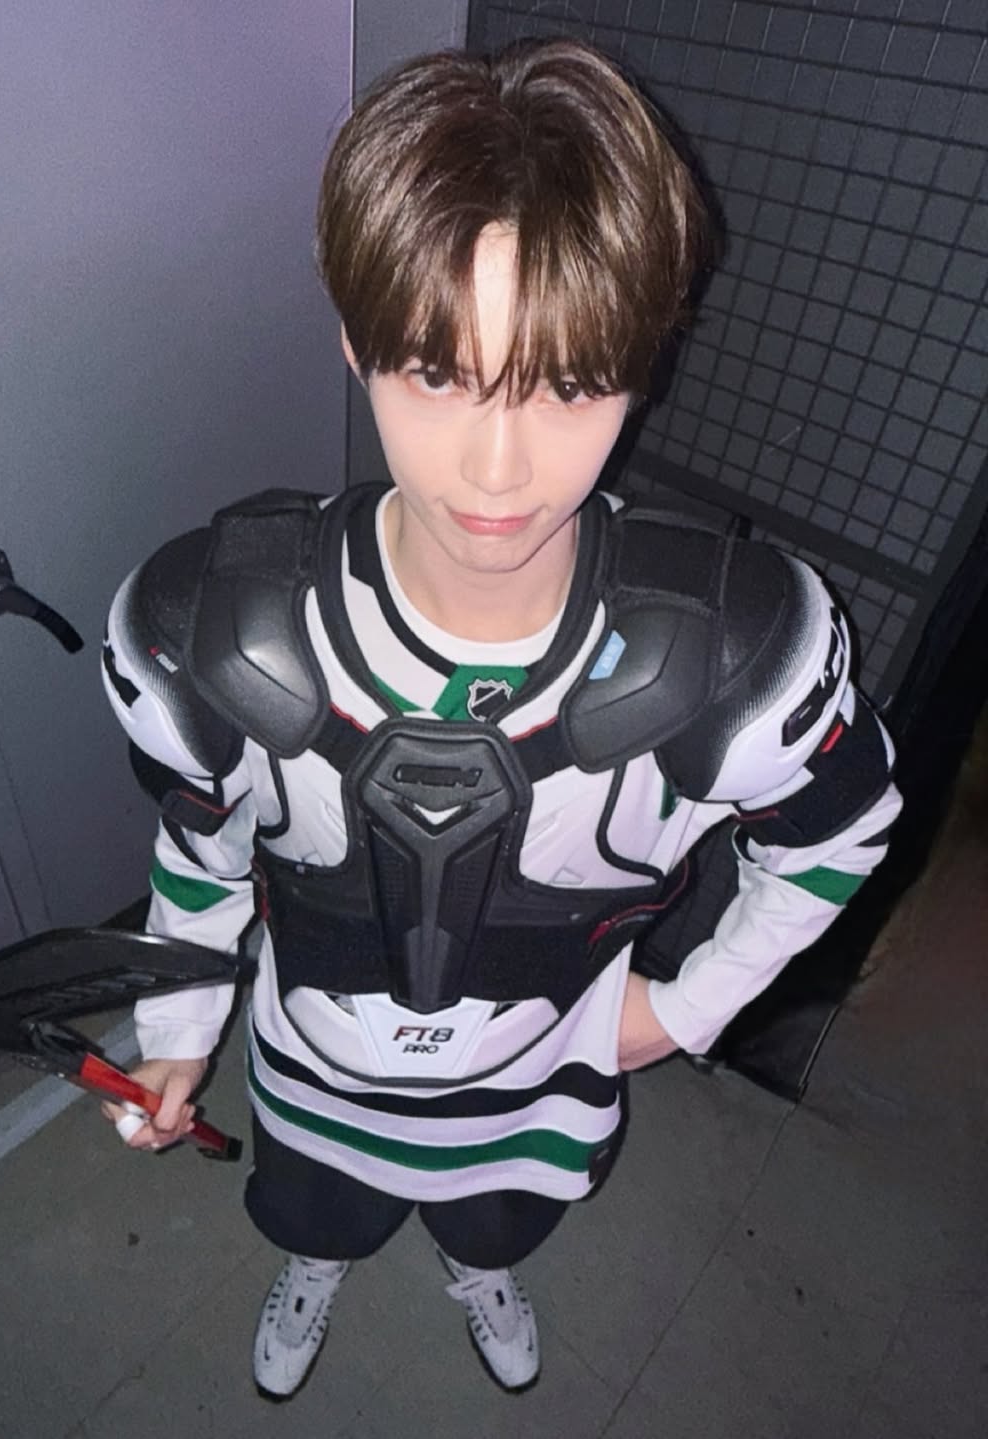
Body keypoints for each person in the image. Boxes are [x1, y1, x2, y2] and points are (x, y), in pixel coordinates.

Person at [100, 38, 901, 1399]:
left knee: (497, 1228)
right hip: (313, 1078)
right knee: (313, 1213)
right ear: (355, 343)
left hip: (542, 1100)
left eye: (567, 386)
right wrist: (178, 1032)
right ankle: (321, 1260)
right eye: (437, 372)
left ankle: (477, 1269)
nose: (495, 467)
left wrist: (689, 1008)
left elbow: (842, 831)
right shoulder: (220, 628)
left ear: (641, 366)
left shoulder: (735, 649)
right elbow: (202, 852)